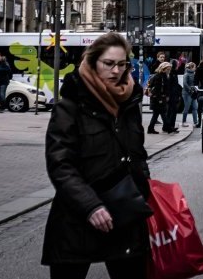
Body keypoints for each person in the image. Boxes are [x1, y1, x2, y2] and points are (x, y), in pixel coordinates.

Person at [42, 31, 151, 279]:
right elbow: (60, 164)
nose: (116, 71)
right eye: (109, 64)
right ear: (92, 63)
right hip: (79, 217)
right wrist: (90, 206)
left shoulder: (129, 104)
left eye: (122, 65)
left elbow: (138, 154)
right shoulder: (69, 106)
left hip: (125, 215)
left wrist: (143, 187)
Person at [146, 62, 171, 134]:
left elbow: (165, 88)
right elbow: (157, 89)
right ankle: (167, 128)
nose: (169, 71)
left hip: (158, 98)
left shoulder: (164, 76)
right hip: (157, 99)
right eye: (167, 69)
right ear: (163, 69)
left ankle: (151, 129)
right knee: (161, 114)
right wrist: (160, 99)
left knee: (157, 114)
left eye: (169, 69)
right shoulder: (159, 76)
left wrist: (166, 95)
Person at [180, 61, 198, 128]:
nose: (195, 68)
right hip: (187, 93)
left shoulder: (194, 74)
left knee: (195, 107)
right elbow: (185, 84)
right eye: (194, 67)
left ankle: (195, 122)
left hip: (193, 93)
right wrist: (191, 90)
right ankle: (183, 122)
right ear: (191, 67)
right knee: (187, 107)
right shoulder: (186, 74)